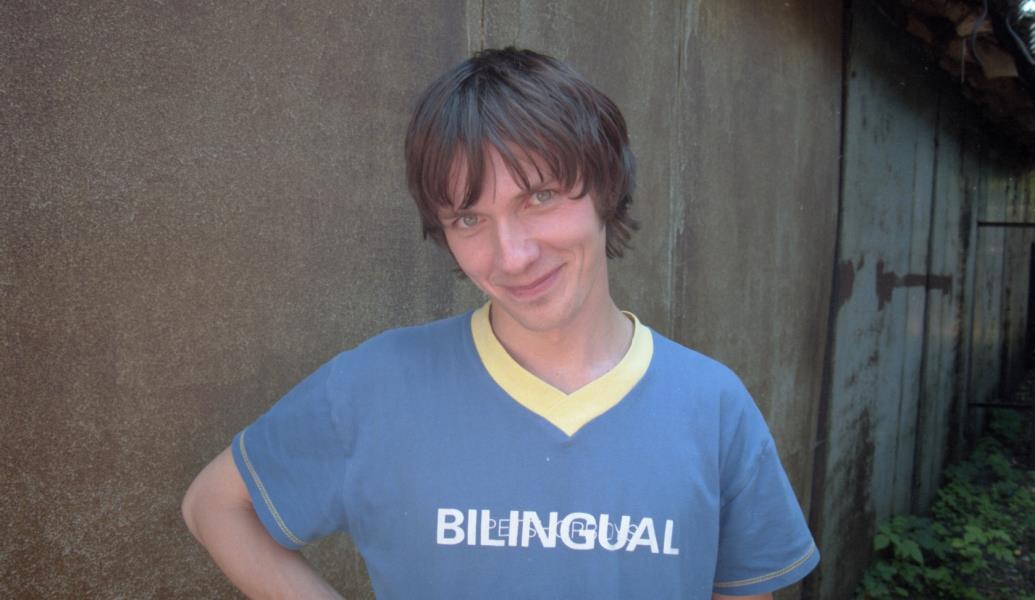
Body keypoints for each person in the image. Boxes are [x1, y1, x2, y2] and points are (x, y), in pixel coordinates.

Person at [182, 47, 819, 599]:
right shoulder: (376, 386)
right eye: (469, 219)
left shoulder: (712, 407)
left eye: (539, 197)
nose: (511, 256)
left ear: (605, 185)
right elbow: (215, 505)